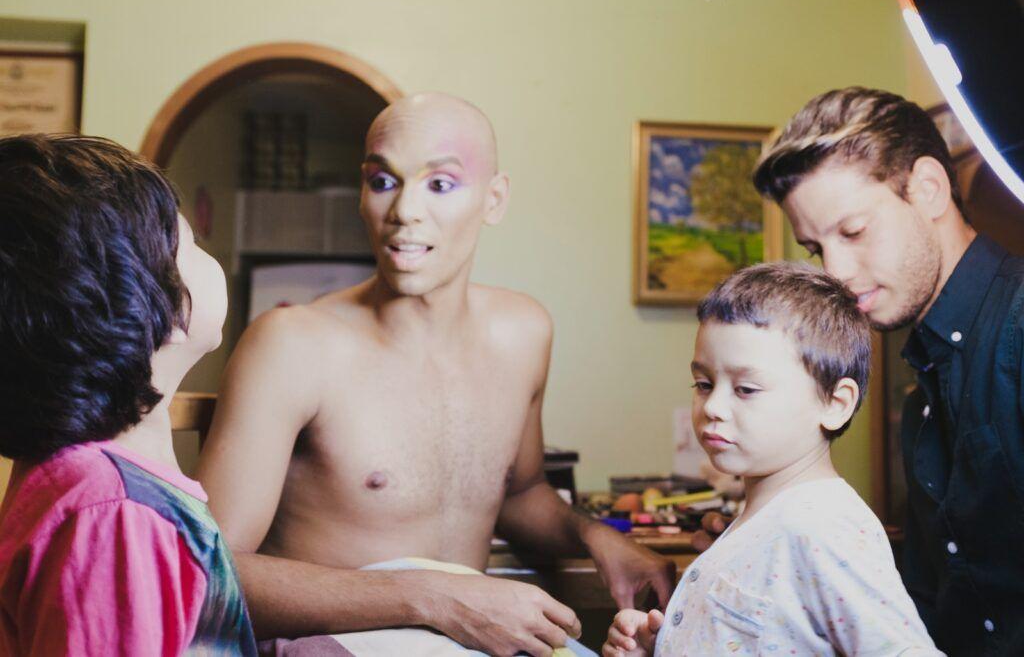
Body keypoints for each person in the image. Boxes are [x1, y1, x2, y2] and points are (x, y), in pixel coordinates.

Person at [196, 92, 674, 656]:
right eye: (382, 181)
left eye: (440, 185)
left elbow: (519, 492)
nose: (404, 212)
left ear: (494, 200)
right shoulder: (292, 344)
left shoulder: (523, 332)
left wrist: (600, 538)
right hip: (334, 646)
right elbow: (205, 575)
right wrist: (437, 597)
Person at [751, 87, 1024, 655]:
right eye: (815, 249)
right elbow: (944, 599)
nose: (836, 273)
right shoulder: (919, 390)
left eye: (852, 232)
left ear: (927, 188)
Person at [0, 134, 256, 655]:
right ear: (169, 308)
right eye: (193, 244)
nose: (208, 257)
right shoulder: (114, 513)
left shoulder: (88, 479)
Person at [603, 262, 940, 656]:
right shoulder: (758, 519)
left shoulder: (823, 529)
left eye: (745, 389)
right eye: (704, 384)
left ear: (835, 403)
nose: (713, 406)